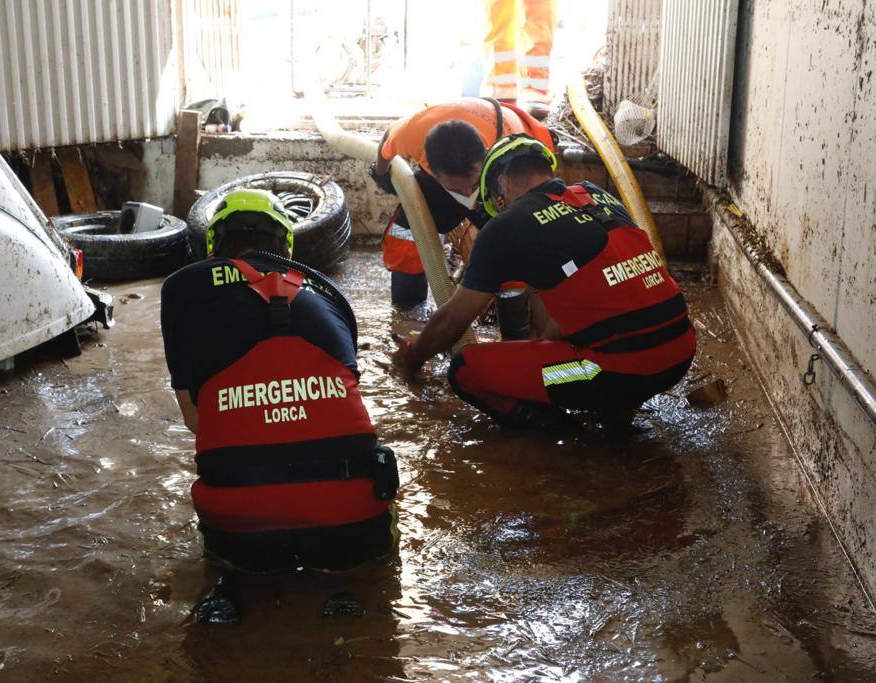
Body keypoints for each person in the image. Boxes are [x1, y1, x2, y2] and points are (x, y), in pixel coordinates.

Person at [160, 189, 399, 620]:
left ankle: (229, 594)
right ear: (287, 244)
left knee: (233, 566)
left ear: (213, 244)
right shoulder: (330, 293)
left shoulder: (183, 286)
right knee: (362, 567)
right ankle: (348, 594)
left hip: (244, 522)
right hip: (354, 519)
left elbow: (196, 421)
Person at [392, 134, 696, 428]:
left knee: (466, 368)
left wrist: (412, 357)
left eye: (497, 198)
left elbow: (450, 323)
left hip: (616, 369)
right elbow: (570, 320)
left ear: (502, 182)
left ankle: (567, 443)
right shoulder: (594, 194)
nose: (501, 204)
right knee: (601, 345)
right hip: (681, 352)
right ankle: (616, 409)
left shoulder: (505, 226)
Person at [369, 97, 555, 307]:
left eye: (472, 185)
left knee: (515, 248)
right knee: (408, 232)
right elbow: (388, 138)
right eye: (457, 189)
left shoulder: (515, 159)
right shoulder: (411, 133)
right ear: (430, 168)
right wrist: (381, 174)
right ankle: (408, 307)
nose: (468, 195)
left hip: (505, 165)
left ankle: (514, 315)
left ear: (484, 160)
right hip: (464, 174)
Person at [485, 0, 557, 103]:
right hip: (498, 92)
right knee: (499, 7)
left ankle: (536, 85)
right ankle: (502, 85)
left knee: (538, 6)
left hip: (535, 91)